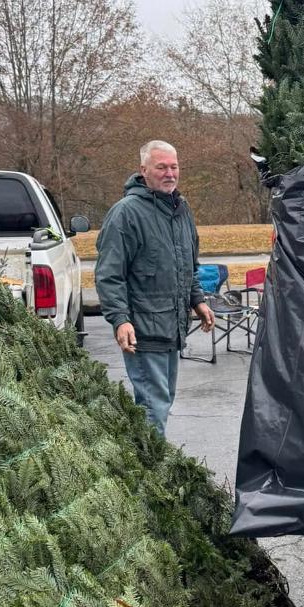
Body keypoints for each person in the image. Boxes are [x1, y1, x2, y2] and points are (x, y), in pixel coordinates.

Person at [95, 140, 214, 437]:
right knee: (152, 407)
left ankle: (147, 465)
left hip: (172, 327)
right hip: (143, 330)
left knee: (161, 402)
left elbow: (187, 265)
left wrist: (197, 300)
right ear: (144, 170)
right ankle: (151, 473)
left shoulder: (181, 210)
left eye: (174, 167)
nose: (169, 173)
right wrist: (120, 319)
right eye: (161, 167)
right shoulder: (126, 214)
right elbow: (109, 274)